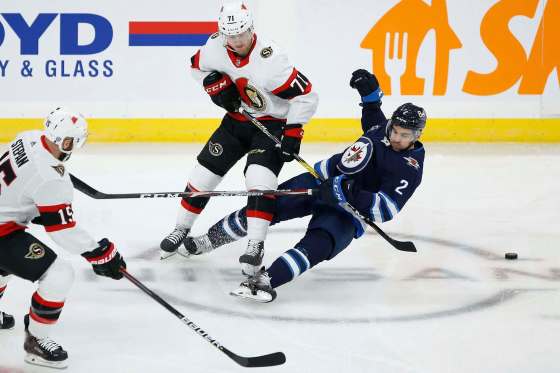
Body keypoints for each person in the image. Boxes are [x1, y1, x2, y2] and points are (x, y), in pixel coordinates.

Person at [176, 69, 427, 303]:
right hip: (319, 181)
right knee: (263, 209)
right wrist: (370, 96)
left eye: (404, 135)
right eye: (395, 130)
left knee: (317, 244)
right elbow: (373, 116)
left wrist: (350, 194)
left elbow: (387, 208)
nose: (396, 137)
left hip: (348, 210)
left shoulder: (409, 168)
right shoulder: (381, 130)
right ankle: (208, 240)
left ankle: (265, 281)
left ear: (417, 135)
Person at [160, 1, 319, 279]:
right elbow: (196, 68)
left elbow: (306, 96)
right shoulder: (214, 47)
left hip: (271, 125)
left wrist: (294, 131)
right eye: (230, 36)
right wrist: (214, 85)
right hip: (235, 124)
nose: (237, 41)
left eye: (242, 34)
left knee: (259, 181)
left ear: (251, 28)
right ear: (222, 34)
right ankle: (181, 229)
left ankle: (255, 244)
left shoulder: (271, 61)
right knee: (202, 176)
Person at [0, 108, 127, 368]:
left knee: (10, 259)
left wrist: (32, 203)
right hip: (2, 231)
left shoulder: (29, 137)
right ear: (67, 142)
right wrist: (100, 253)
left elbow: (26, 176)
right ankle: (36, 341)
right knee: (59, 275)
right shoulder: (51, 180)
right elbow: (62, 230)